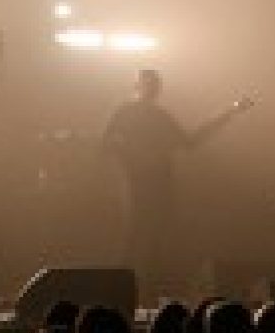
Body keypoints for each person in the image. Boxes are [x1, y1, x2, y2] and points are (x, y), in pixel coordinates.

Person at [101, 69, 249, 301]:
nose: (153, 90)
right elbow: (106, 143)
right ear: (138, 87)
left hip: (158, 185)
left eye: (155, 86)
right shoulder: (126, 113)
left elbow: (190, 141)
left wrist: (229, 112)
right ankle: (118, 295)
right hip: (138, 185)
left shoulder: (156, 115)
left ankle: (143, 296)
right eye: (149, 85)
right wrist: (132, 155)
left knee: (152, 241)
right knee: (135, 239)